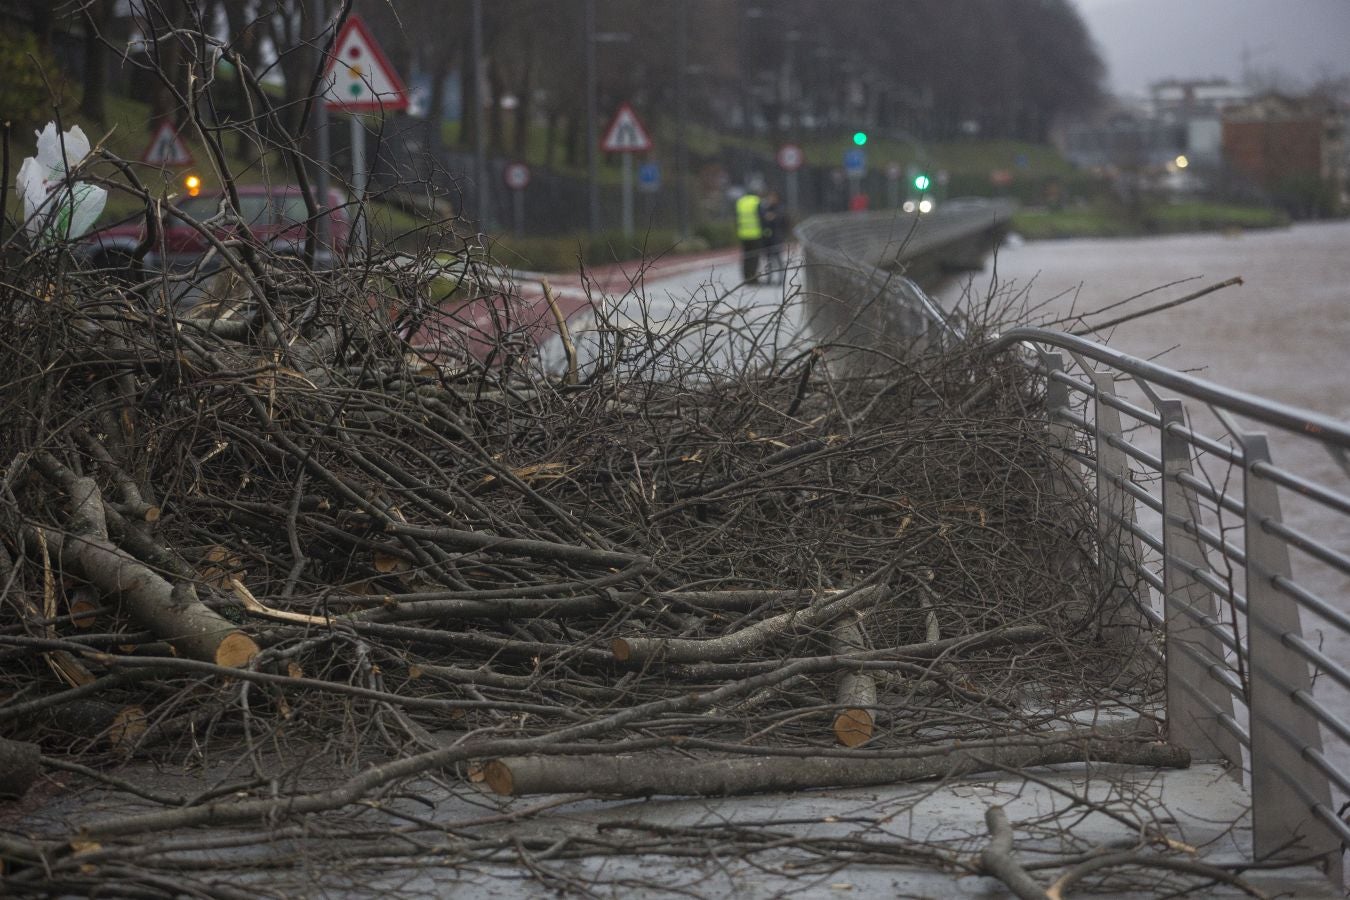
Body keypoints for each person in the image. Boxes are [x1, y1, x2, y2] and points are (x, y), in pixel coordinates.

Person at [758, 190, 787, 285]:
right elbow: (763, 218)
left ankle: (781, 279)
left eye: (773, 197)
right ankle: (769, 278)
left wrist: (774, 217)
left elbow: (782, 221)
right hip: (767, 238)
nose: (771, 199)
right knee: (768, 259)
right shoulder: (765, 207)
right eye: (770, 197)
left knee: (778, 259)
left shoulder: (780, 208)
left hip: (777, 237)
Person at [734, 188, 763, 283]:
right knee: (754, 257)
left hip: (743, 234)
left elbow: (736, 217)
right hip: (755, 234)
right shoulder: (756, 201)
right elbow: (761, 217)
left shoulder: (740, 202)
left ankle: (746, 277)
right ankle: (753, 278)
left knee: (746, 257)